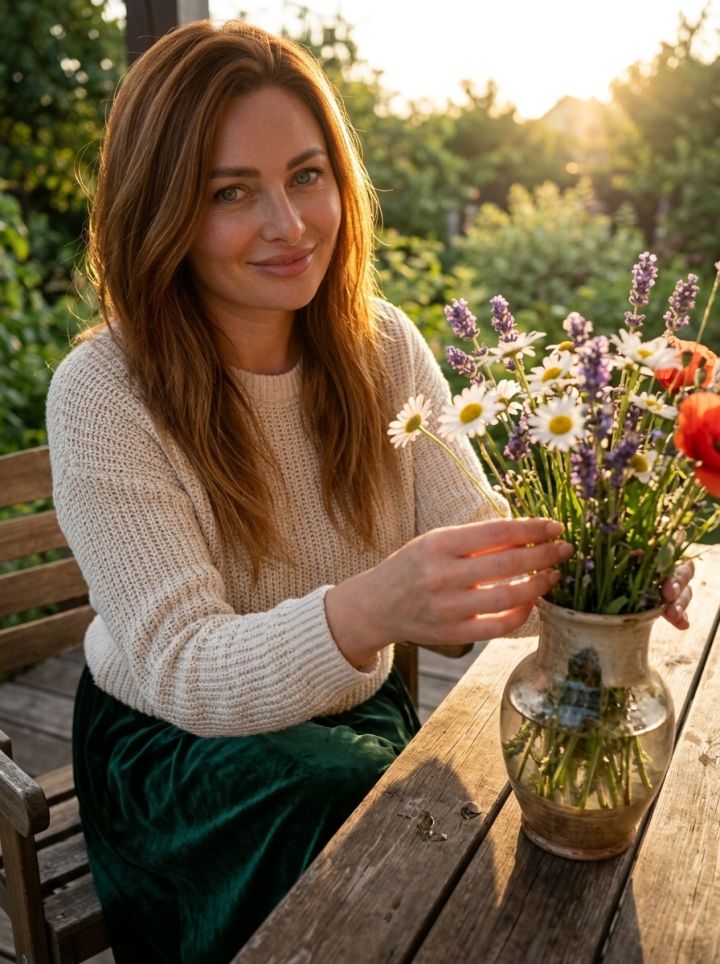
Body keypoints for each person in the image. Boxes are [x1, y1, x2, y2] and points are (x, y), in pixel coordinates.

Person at [45, 18, 694, 964]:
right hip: (178, 752)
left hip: (350, 719)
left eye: (308, 176)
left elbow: (476, 552)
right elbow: (179, 662)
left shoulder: (379, 344)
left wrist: (607, 572)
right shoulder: (105, 391)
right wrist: (369, 609)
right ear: (161, 211)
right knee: (393, 838)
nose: (290, 223)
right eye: (233, 192)